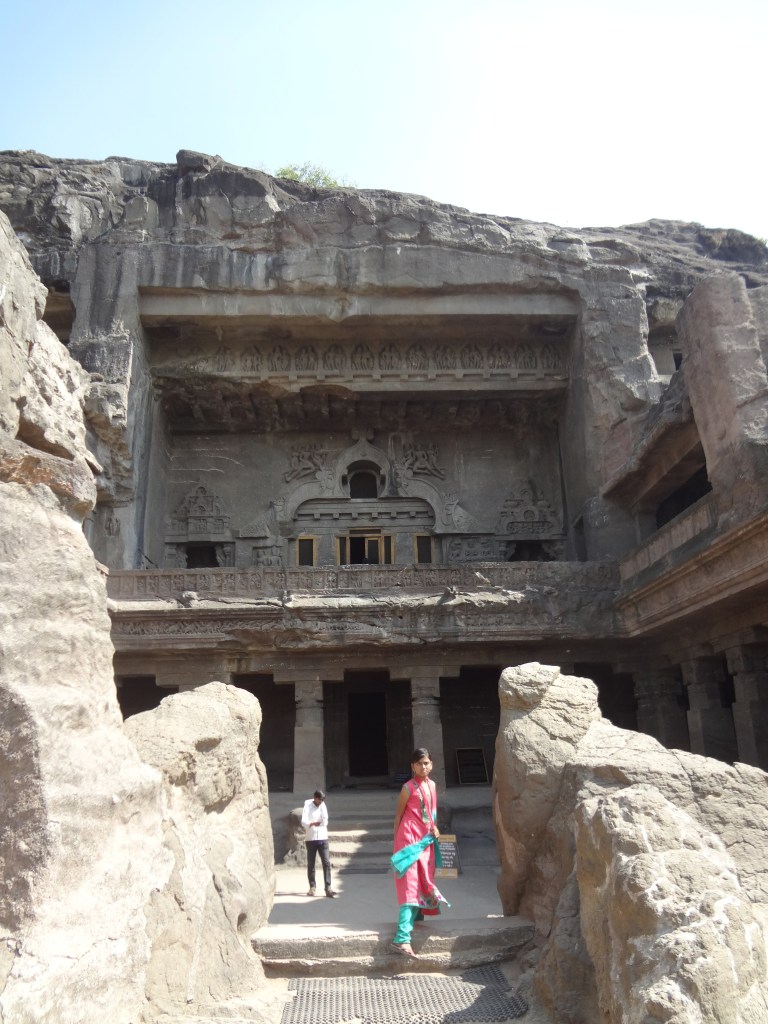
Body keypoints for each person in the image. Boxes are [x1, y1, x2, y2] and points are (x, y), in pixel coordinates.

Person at [390, 747, 448, 957]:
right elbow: (398, 816)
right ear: (412, 766)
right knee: (411, 884)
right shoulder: (407, 788)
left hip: (426, 839)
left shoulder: (432, 785)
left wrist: (435, 827)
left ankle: (415, 920)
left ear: (431, 764)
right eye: (419, 763)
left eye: (427, 763)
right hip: (409, 839)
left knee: (424, 880)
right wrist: (397, 843)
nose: (424, 767)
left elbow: (431, 811)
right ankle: (402, 938)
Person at [301, 789, 337, 898]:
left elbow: (325, 820)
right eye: (319, 800)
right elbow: (304, 821)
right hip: (311, 838)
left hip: (322, 837)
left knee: (326, 862)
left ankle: (328, 887)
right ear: (315, 798)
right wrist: (311, 823)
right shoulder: (307, 804)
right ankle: (312, 886)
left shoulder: (322, 805)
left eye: (322, 800)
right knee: (311, 863)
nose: (320, 802)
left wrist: (319, 822)